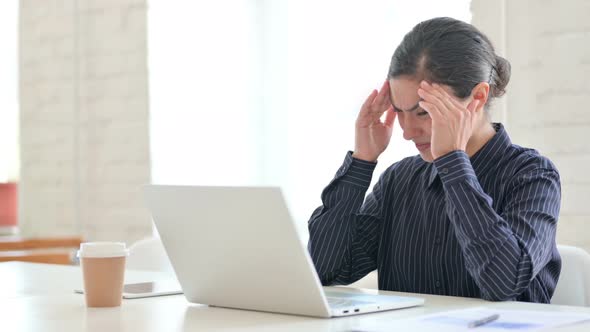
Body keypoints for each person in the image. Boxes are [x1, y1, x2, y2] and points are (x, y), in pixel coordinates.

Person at [307, 17, 561, 303]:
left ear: (477, 98)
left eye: (423, 112)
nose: (406, 132)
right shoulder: (398, 180)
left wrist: (453, 163)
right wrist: (362, 160)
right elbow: (325, 271)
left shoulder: (532, 175)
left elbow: (503, 283)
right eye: (399, 112)